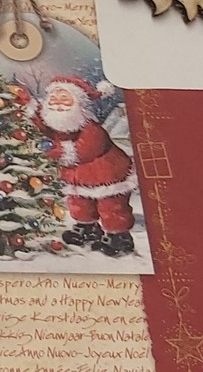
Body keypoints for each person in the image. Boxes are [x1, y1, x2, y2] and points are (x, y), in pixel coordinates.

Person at [29, 76, 138, 257]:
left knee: (111, 206)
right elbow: (44, 127)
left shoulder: (91, 129)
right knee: (79, 203)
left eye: (65, 99)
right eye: (53, 99)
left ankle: (118, 236)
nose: (58, 105)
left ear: (79, 103)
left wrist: (56, 150)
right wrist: (32, 112)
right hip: (77, 175)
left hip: (107, 174)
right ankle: (87, 228)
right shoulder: (58, 125)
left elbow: (86, 150)